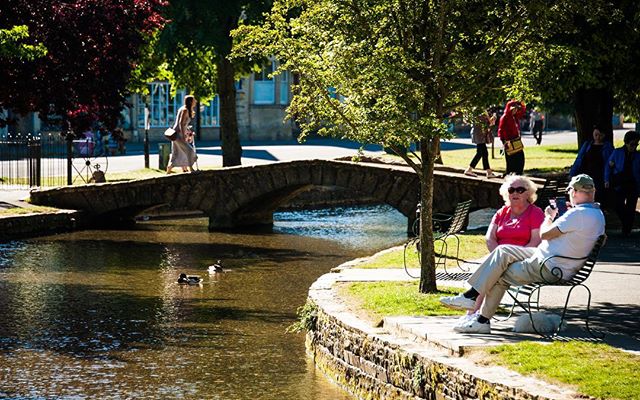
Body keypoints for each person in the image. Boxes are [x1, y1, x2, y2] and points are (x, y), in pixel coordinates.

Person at [440, 174, 605, 334]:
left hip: (549, 266)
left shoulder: (577, 214)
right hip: (551, 261)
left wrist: (549, 217)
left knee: (500, 273)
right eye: (512, 190)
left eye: (570, 192)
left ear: (574, 192)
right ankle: (471, 298)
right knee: (502, 251)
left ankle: (481, 318)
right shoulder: (598, 215)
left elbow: (545, 234)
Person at [457, 175, 544, 325]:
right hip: (499, 256)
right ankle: (477, 317)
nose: (515, 193)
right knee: (492, 270)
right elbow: (489, 238)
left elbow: (536, 241)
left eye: (520, 189)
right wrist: (497, 258)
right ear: (506, 193)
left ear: (529, 193)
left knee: (491, 272)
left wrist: (509, 258)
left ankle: (473, 313)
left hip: (522, 258)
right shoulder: (502, 212)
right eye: (511, 190)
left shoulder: (535, 213)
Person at [604, 130, 640, 236]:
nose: (634, 147)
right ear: (626, 142)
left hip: (633, 183)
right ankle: (626, 222)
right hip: (620, 182)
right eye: (632, 144)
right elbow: (608, 166)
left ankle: (626, 230)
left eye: (636, 144)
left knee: (631, 206)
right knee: (618, 205)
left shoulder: (638, 156)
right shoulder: (617, 152)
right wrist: (606, 179)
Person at [569, 126, 614, 205]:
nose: (598, 137)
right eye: (596, 135)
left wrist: (607, 178)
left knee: (598, 196)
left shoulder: (608, 147)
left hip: (600, 176)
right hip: (587, 173)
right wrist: (573, 172)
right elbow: (579, 159)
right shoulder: (587, 145)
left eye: (600, 135)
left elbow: (609, 163)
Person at [166, 95, 198, 174]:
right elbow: (180, 123)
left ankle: (168, 171)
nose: (196, 101)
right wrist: (184, 135)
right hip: (178, 135)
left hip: (177, 134)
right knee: (189, 150)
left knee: (176, 153)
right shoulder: (185, 110)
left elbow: (184, 125)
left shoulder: (184, 109)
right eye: (194, 100)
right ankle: (191, 168)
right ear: (190, 101)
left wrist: (188, 133)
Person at [464, 110, 497, 178]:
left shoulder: (474, 109)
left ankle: (487, 172)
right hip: (480, 134)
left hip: (477, 133)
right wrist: (493, 118)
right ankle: (487, 172)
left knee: (481, 153)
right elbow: (488, 123)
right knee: (483, 153)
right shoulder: (482, 110)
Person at [497, 100, 527, 175]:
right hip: (509, 142)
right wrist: (504, 142)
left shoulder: (515, 116)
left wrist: (521, 104)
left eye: (516, 109)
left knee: (520, 159)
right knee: (511, 161)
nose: (515, 110)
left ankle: (518, 174)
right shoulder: (504, 117)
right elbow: (500, 131)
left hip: (516, 141)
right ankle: (510, 176)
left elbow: (522, 112)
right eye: (514, 108)